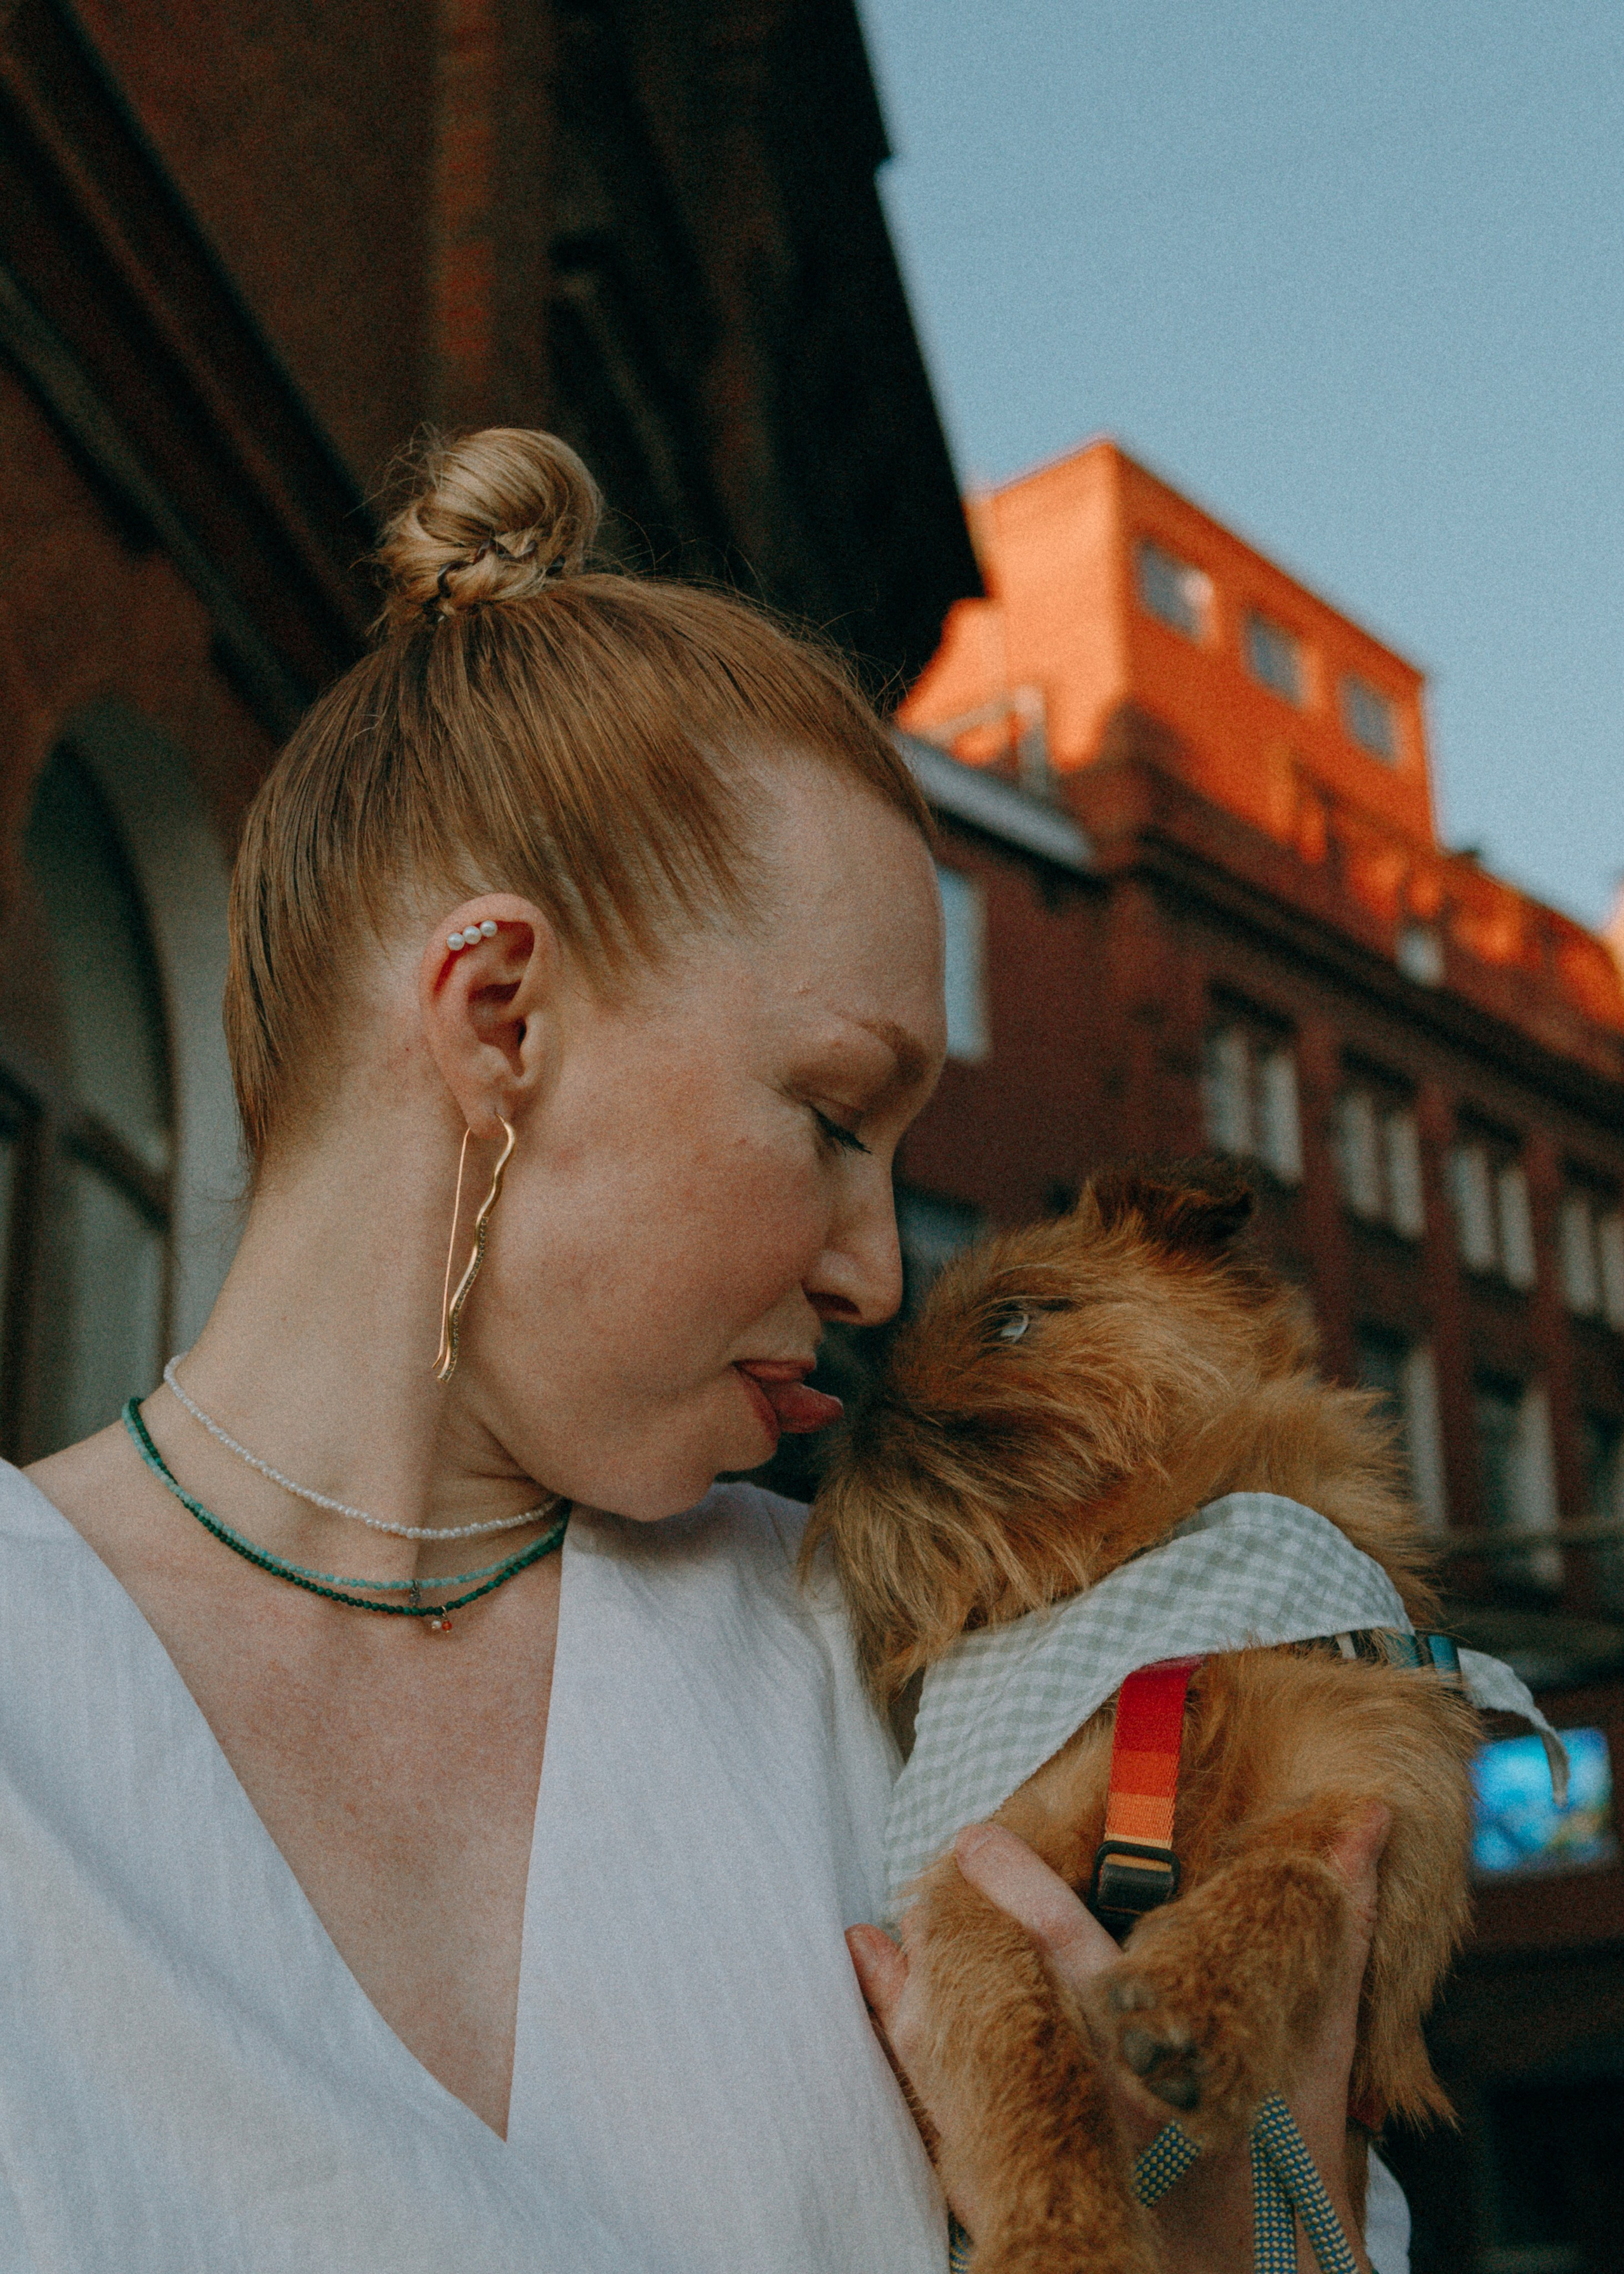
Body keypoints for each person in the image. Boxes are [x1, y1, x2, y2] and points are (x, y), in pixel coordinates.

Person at [8, 428, 1405, 2273]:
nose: (872, 1279)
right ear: (498, 1014)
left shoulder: (925, 1675)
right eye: (834, 1118)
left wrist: (1221, 2228)